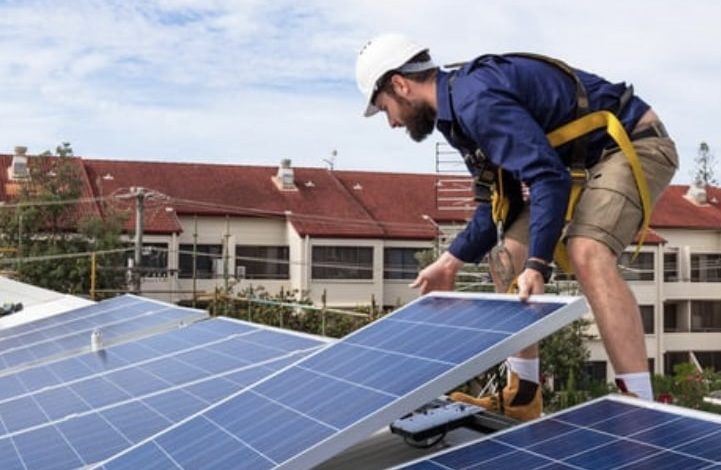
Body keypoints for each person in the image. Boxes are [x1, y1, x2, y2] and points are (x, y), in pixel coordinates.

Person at [355, 33, 678, 421]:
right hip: (574, 165)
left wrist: (538, 263)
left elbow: (547, 178)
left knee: (586, 250)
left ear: (400, 85)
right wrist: (450, 263)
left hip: (632, 143)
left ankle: (640, 408)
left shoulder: (475, 100)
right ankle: (523, 395)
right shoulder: (456, 116)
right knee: (506, 255)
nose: (391, 122)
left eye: (385, 108)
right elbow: (499, 206)